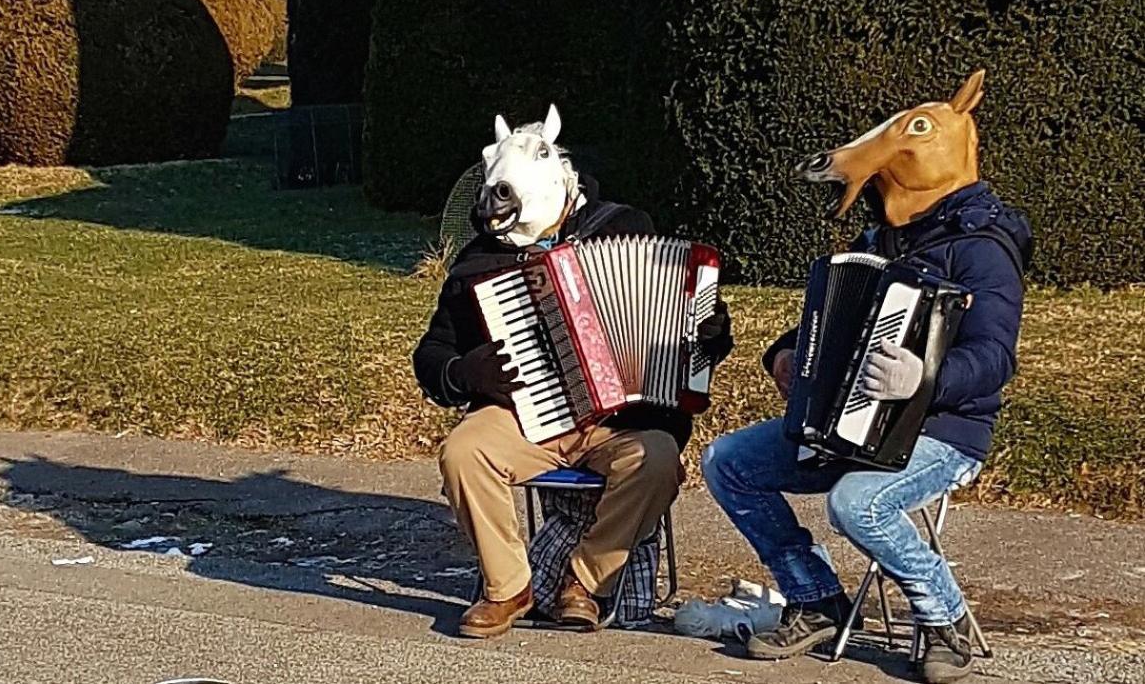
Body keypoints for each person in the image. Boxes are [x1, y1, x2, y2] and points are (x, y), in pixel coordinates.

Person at [700, 71, 1030, 683]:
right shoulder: (879, 238)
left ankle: (944, 619)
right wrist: (785, 354)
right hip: (847, 423)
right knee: (728, 462)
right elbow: (831, 316)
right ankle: (815, 597)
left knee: (858, 504)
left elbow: (995, 358)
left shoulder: (982, 246)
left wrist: (923, 379)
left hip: (945, 432)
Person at [414, 107, 733, 638]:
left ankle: (584, 585)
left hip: (621, 421)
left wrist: (708, 333)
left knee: (655, 460)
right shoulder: (480, 261)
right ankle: (508, 587)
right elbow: (431, 354)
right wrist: (465, 371)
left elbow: (685, 330)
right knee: (464, 451)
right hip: (525, 418)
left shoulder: (625, 230)